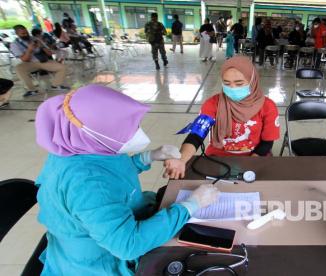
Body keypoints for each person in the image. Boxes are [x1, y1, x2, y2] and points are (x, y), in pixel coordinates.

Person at [34, 84, 220, 275]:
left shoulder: (78, 145)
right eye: (130, 129)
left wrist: (147, 157)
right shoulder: (87, 185)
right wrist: (191, 205)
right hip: (99, 262)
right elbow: (128, 245)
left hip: (105, 231)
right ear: (96, 134)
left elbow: (111, 172)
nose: (138, 133)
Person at [163, 56, 280, 179]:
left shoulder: (267, 106)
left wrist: (248, 164)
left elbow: (267, 143)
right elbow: (196, 135)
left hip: (254, 157)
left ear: (252, 81)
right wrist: (181, 160)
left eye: (239, 83)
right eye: (227, 83)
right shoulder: (213, 104)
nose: (232, 88)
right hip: (218, 158)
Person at [10, 25, 69, 97]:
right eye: (23, 34)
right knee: (19, 68)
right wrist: (29, 49)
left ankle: (55, 85)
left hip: (43, 61)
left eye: (27, 33)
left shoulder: (35, 39)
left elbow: (50, 53)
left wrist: (42, 46)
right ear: (17, 34)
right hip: (29, 63)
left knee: (62, 67)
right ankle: (32, 90)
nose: (26, 35)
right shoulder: (15, 44)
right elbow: (25, 59)